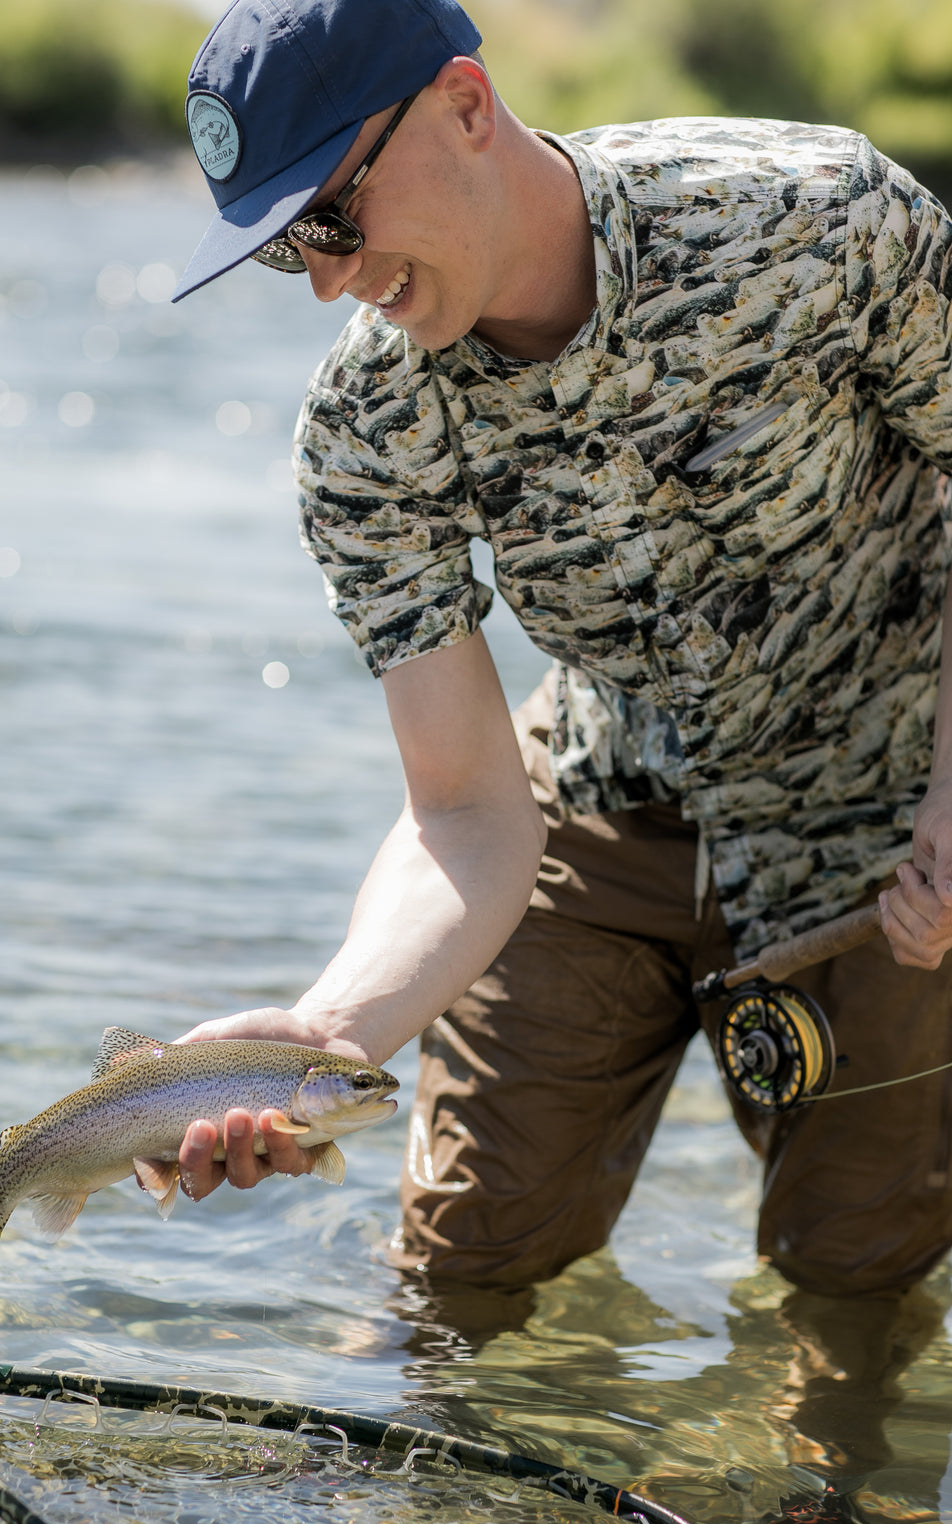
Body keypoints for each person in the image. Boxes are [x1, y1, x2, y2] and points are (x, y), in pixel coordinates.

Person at [168, 0, 952, 1299]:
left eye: (333, 213)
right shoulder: (366, 429)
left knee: (857, 1292)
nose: (325, 277)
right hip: (591, 803)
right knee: (462, 1272)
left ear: (467, 106)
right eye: (282, 246)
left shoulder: (822, 222)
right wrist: (329, 1033)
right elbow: (467, 808)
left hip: (886, 817)